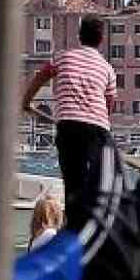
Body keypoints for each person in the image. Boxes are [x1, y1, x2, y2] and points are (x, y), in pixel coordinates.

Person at [20, 16, 118, 208]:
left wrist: (26, 102)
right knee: (95, 184)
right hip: (97, 129)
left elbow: (39, 78)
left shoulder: (62, 57)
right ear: (101, 40)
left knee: (73, 184)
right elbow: (109, 105)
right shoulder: (108, 69)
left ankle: (73, 219)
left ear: (79, 36)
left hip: (69, 127)